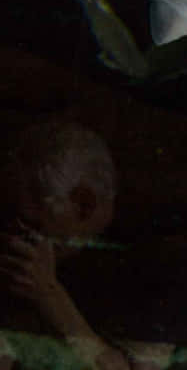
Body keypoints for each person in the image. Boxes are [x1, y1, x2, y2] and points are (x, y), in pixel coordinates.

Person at [0, 120, 175, 370]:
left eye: (33, 225)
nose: (17, 236)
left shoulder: (159, 267)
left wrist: (48, 295)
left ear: (84, 204)